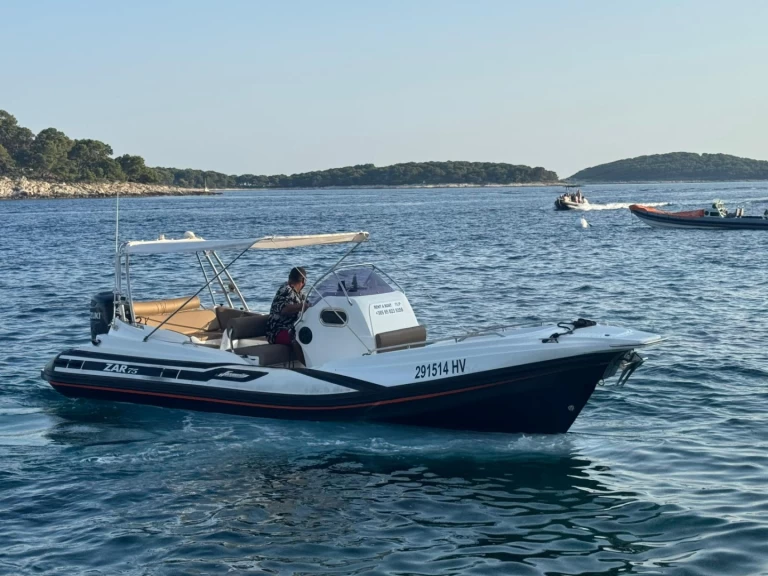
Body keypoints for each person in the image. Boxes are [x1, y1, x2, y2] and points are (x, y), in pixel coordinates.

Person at [266, 267, 310, 345]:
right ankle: (300, 358)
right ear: (303, 281)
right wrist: (301, 306)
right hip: (277, 331)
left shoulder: (300, 294)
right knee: (299, 338)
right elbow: (284, 309)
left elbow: (309, 305)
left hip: (292, 329)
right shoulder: (285, 289)